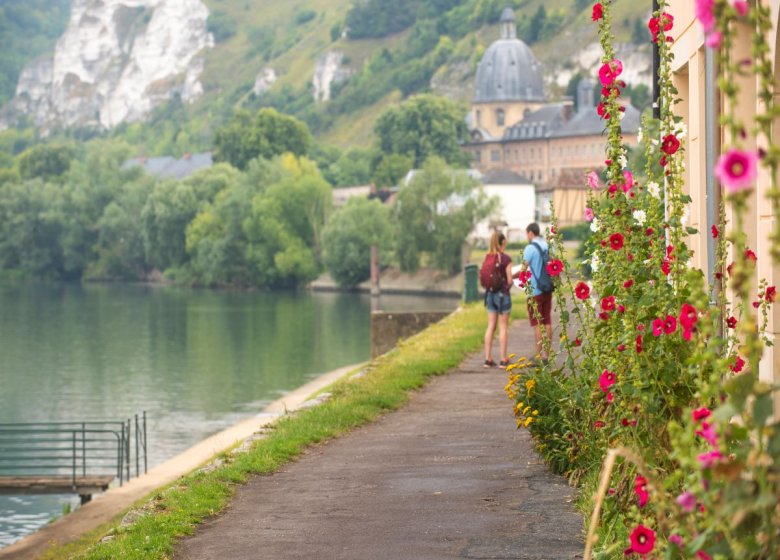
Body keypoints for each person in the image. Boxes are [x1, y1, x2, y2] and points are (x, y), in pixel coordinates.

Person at [522, 223, 553, 362]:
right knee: (547, 321)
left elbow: (524, 268)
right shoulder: (546, 246)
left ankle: (538, 356)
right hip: (547, 288)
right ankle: (547, 355)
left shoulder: (530, 248)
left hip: (535, 290)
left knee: (537, 324)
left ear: (530, 233)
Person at [483, 231, 513, 368]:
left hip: (489, 294)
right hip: (502, 295)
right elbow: (510, 280)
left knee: (491, 326)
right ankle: (503, 359)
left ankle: (488, 358)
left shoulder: (487, 257)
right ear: (502, 243)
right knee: (503, 327)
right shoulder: (505, 259)